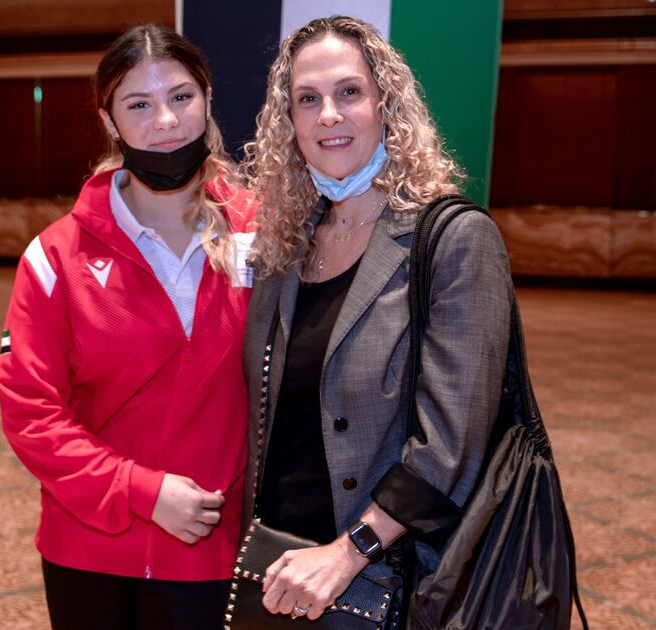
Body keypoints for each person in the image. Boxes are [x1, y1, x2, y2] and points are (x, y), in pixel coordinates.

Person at [239, 15, 513, 623]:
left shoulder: (452, 239)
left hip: (381, 573)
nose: (328, 115)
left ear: (386, 104)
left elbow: (451, 444)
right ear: (289, 123)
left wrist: (349, 552)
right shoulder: (286, 246)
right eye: (307, 99)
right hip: (280, 564)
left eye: (349, 92)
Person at [0, 24, 255, 630]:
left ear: (209, 99)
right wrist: (143, 492)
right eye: (139, 104)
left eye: (182, 96)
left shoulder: (265, 235)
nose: (165, 119)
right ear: (110, 120)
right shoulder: (55, 257)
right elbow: (31, 414)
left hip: (215, 548)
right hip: (89, 551)